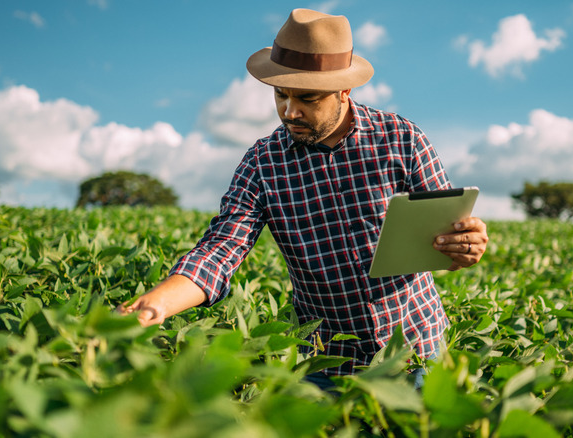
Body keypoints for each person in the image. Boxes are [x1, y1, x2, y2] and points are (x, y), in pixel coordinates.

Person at [118, 8, 488, 387]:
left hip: (413, 350)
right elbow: (220, 249)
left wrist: (463, 247)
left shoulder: (402, 139)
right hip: (325, 362)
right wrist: (157, 303)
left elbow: (446, 238)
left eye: (308, 99)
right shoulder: (263, 163)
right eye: (281, 95)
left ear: (345, 91)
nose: (289, 111)